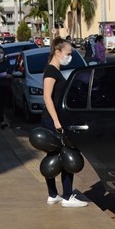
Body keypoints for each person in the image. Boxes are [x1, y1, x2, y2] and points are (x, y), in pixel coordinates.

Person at [42, 37, 88, 208]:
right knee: (66, 155)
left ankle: (53, 194)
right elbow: (47, 97)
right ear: (57, 52)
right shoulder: (51, 71)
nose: (70, 57)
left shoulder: (55, 70)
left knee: (54, 157)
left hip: (54, 119)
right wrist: (56, 121)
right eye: (68, 53)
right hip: (53, 120)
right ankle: (67, 196)